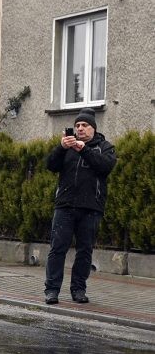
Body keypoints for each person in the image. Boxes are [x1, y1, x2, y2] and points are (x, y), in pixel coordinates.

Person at [44, 108, 116, 305]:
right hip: (65, 206)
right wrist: (61, 147)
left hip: (91, 208)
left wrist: (83, 149)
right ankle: (51, 290)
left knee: (84, 251)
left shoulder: (105, 147)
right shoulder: (67, 147)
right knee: (57, 249)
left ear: (93, 128)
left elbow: (105, 166)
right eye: (77, 125)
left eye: (85, 125)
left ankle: (78, 289)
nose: (80, 128)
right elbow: (50, 165)